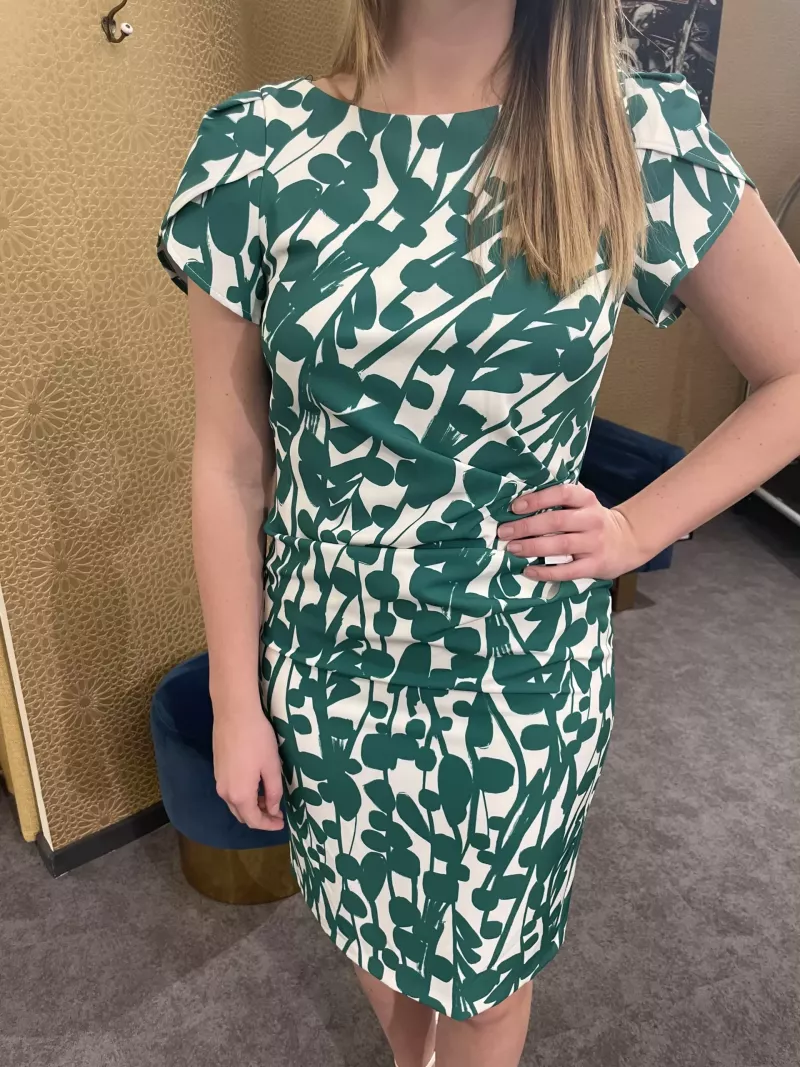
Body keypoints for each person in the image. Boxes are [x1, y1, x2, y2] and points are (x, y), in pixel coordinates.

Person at [155, 2, 800, 1064]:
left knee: (486, 989)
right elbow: (229, 464)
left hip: (513, 675)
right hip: (324, 658)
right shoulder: (256, 149)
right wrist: (235, 697)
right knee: (367, 927)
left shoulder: (630, 135)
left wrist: (636, 527)